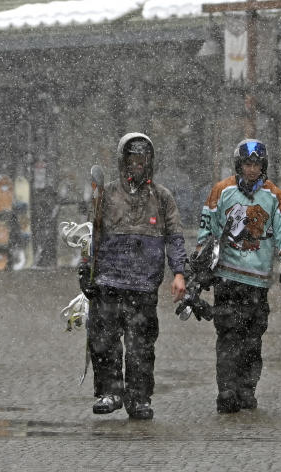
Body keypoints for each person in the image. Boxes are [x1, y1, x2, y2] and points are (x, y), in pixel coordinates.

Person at [77, 132, 187, 420]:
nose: (137, 164)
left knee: (141, 346)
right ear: (122, 161)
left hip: (143, 286)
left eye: (143, 159)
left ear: (150, 162)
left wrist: (179, 273)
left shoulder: (162, 198)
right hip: (108, 283)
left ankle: (138, 398)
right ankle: (110, 391)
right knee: (104, 341)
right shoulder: (107, 194)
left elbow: (175, 237)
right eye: (132, 158)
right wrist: (85, 267)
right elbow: (91, 234)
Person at [197, 138, 281, 413]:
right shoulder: (221, 191)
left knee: (253, 339)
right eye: (247, 164)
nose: (251, 169)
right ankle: (227, 389)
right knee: (228, 336)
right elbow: (207, 230)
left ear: (263, 166)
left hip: (257, 281)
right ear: (238, 165)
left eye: (256, 164)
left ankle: (246, 388)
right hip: (228, 278)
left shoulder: (275, 196)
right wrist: (201, 266)